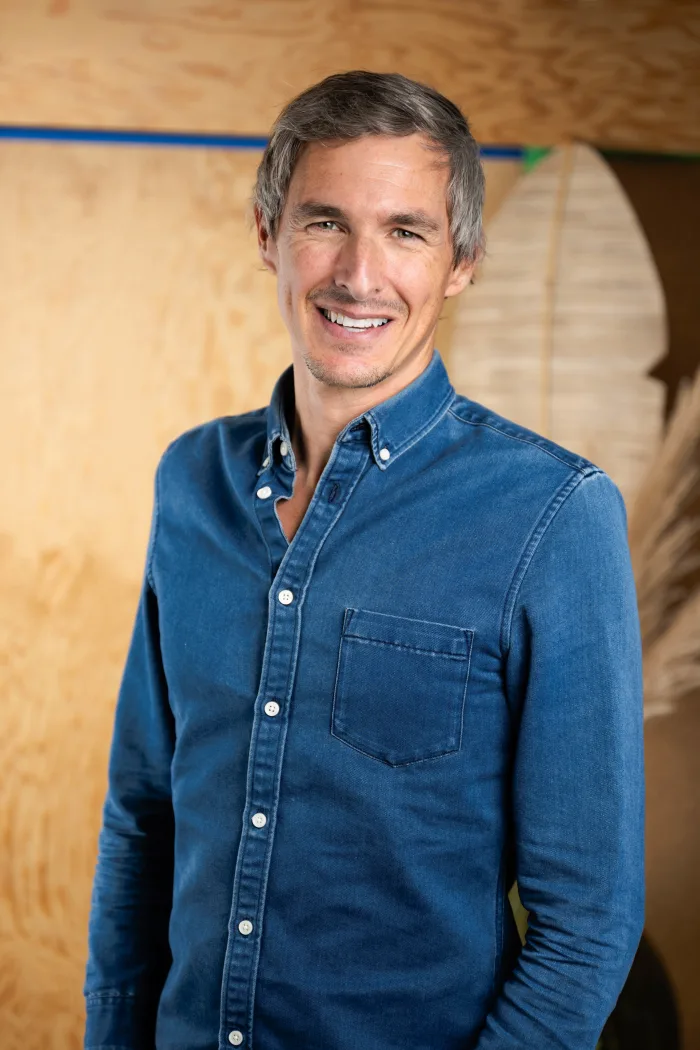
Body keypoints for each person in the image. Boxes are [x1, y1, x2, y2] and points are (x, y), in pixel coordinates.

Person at [83, 71, 645, 1050]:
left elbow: (587, 923)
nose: (358, 274)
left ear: (462, 262)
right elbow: (143, 816)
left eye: (406, 232)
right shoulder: (192, 482)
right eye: (325, 222)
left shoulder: (555, 517)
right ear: (268, 233)